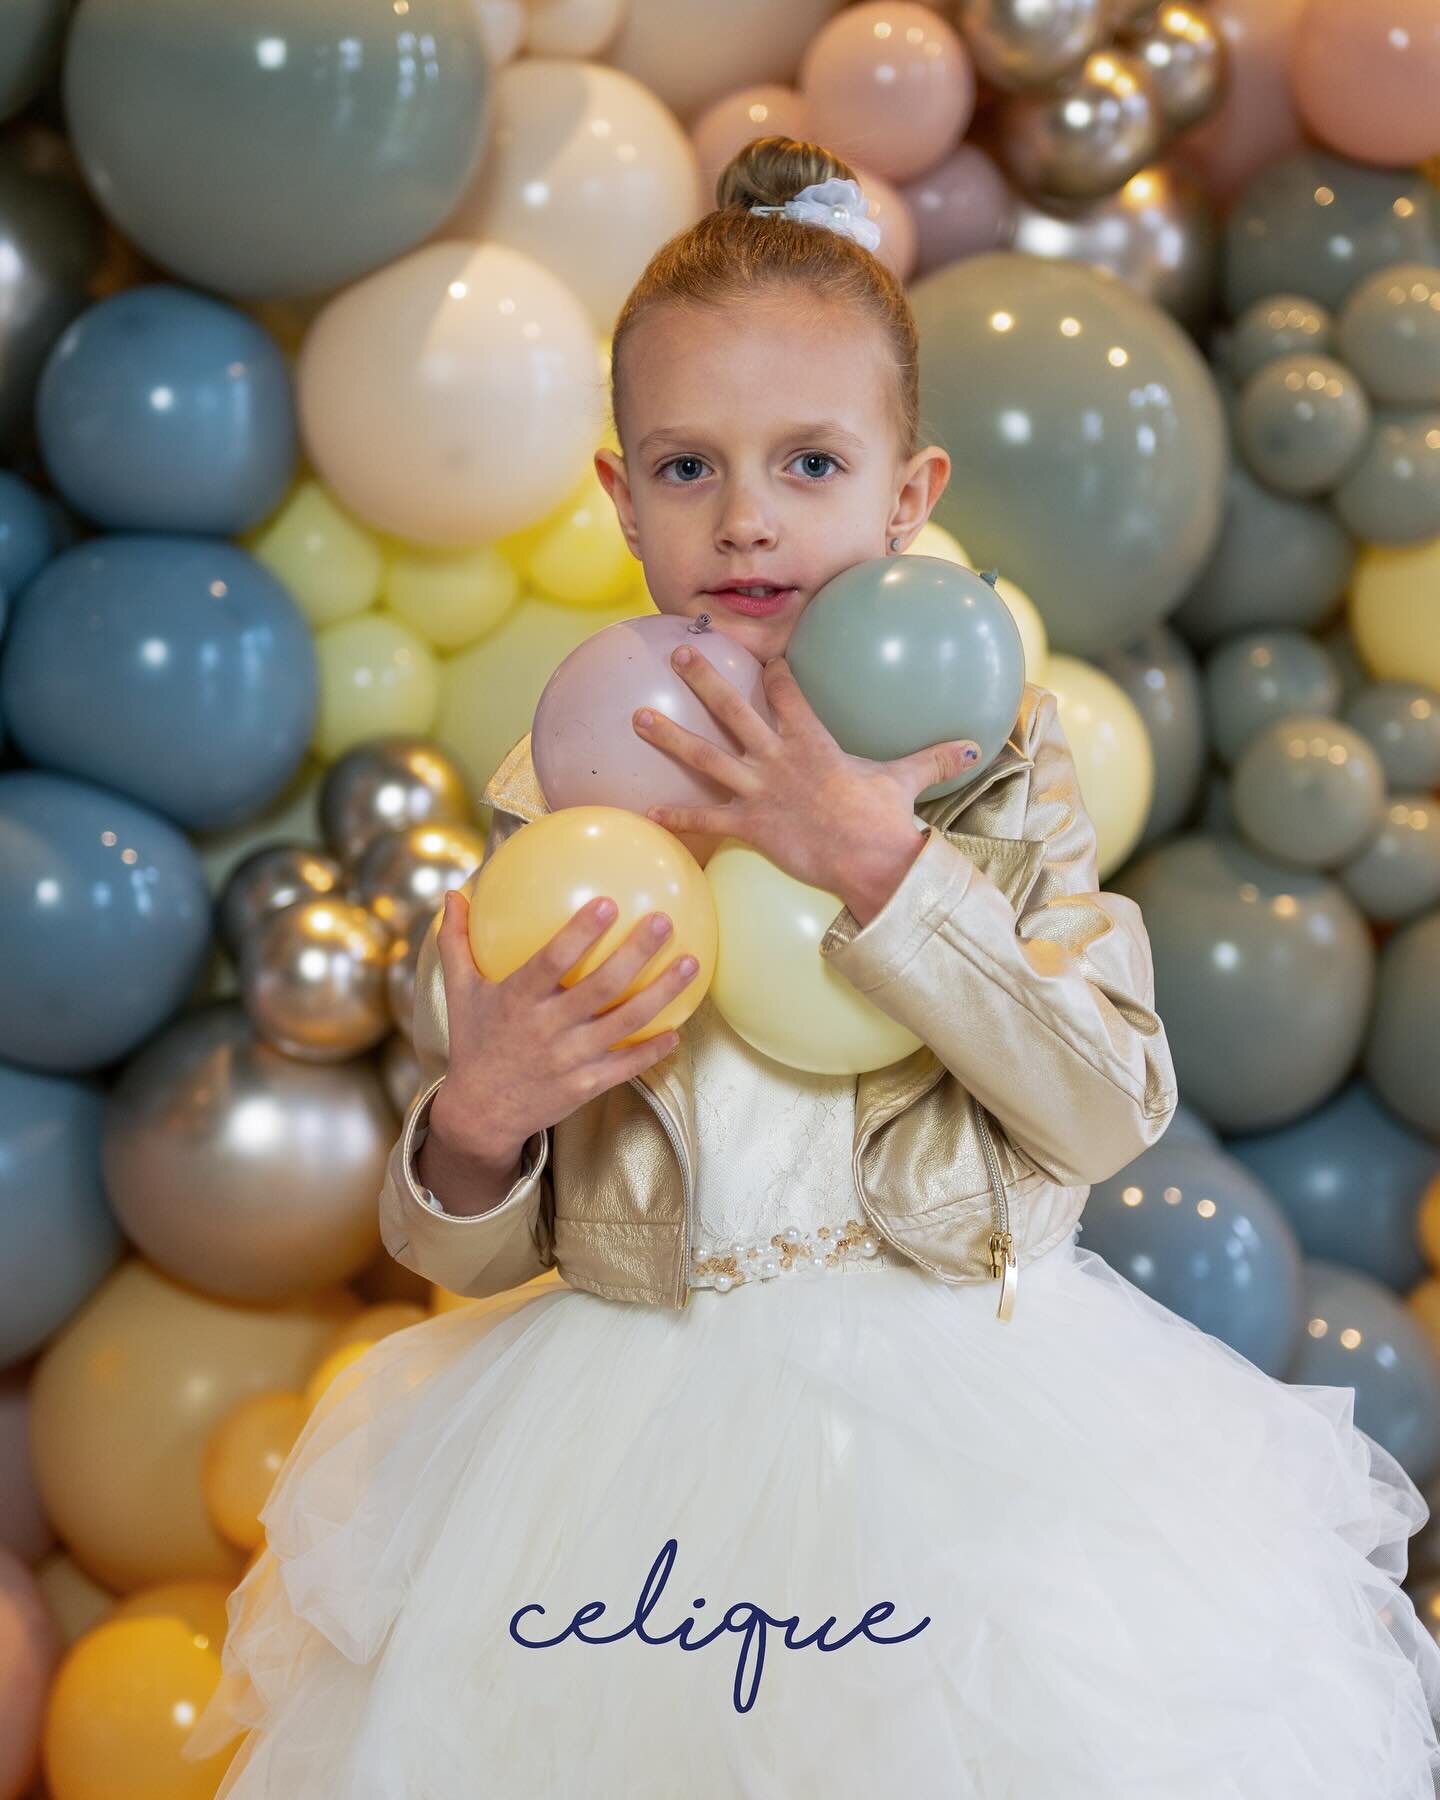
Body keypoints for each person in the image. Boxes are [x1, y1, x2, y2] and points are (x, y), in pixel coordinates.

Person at [184, 137, 1440, 1797]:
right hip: (626, 1439)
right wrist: (476, 1121)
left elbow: (1110, 1099)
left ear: (907, 497)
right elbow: (464, 1247)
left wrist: (876, 863)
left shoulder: (991, 762)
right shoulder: (561, 788)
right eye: (690, 470)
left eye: (811, 462)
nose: (751, 516)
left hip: (966, 1423)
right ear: (620, 500)